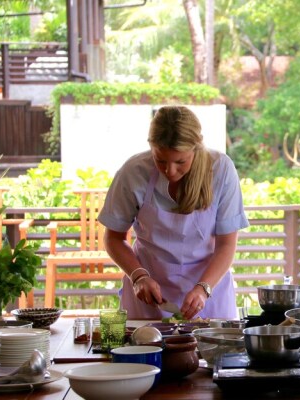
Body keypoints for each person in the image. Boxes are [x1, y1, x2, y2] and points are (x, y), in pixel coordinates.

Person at [99, 105, 249, 320]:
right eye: (160, 160)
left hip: (208, 291)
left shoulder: (221, 169)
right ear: (151, 147)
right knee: (145, 350)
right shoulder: (134, 172)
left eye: (180, 161)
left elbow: (226, 245)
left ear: (196, 149)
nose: (170, 170)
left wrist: (203, 288)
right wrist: (138, 275)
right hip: (148, 292)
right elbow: (113, 238)